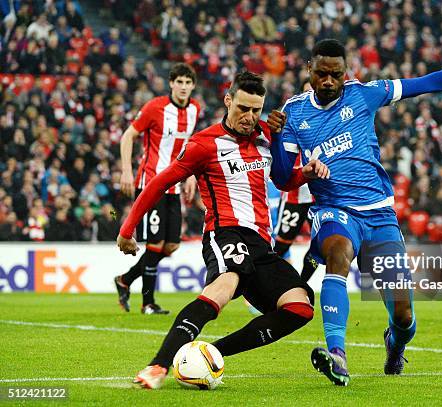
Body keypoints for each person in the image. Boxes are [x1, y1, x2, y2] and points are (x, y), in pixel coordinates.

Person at [269, 39, 442, 385]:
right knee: (338, 255)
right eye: (322, 74)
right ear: (308, 70)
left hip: (379, 214)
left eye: (336, 74)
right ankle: (337, 354)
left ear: (345, 72)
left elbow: (429, 82)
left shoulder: (364, 94)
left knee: (404, 316)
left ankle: (395, 344)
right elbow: (283, 179)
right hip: (334, 208)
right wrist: (281, 146)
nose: (329, 81)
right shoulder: (294, 112)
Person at [117, 71, 329, 389]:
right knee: (225, 285)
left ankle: (214, 352)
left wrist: (305, 174)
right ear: (228, 100)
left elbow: (284, 181)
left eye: (256, 110)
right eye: (243, 108)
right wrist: (128, 229)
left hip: (261, 243)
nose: (249, 116)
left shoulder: (267, 139)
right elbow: (161, 182)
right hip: (225, 232)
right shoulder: (204, 144)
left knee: (300, 307)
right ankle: (157, 366)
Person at [114, 63, 200, 315]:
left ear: (192, 86)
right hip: (151, 182)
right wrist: (127, 170)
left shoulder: (195, 109)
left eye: (188, 82)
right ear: (171, 83)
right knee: (156, 243)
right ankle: (148, 303)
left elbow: (190, 146)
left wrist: (192, 176)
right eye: (179, 82)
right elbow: (128, 136)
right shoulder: (155, 107)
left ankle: (125, 279)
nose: (183, 87)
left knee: (171, 245)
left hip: (174, 185)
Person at [273, 80, 319, 284]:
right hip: (294, 195)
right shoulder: (292, 118)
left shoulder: (330, 119)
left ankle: (301, 284)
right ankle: (264, 286)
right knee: (281, 245)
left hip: (319, 197)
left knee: (319, 247)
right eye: (307, 92)